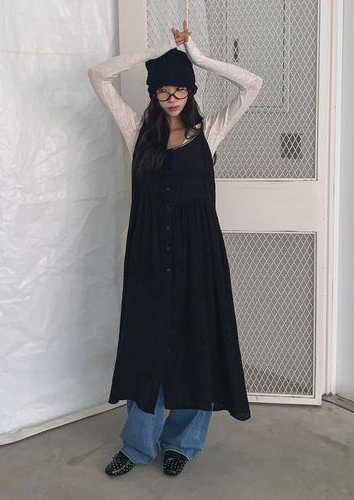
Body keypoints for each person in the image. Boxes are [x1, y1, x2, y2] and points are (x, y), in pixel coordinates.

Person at [87, 20, 263, 477]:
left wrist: (197, 57)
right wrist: (157, 50)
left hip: (199, 257)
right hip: (148, 257)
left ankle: (182, 443)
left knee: (195, 343)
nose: (171, 97)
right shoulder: (136, 132)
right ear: (152, 93)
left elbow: (253, 84)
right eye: (162, 89)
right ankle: (137, 445)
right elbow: (98, 75)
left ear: (190, 91)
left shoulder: (211, 132)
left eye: (179, 88)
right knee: (145, 347)